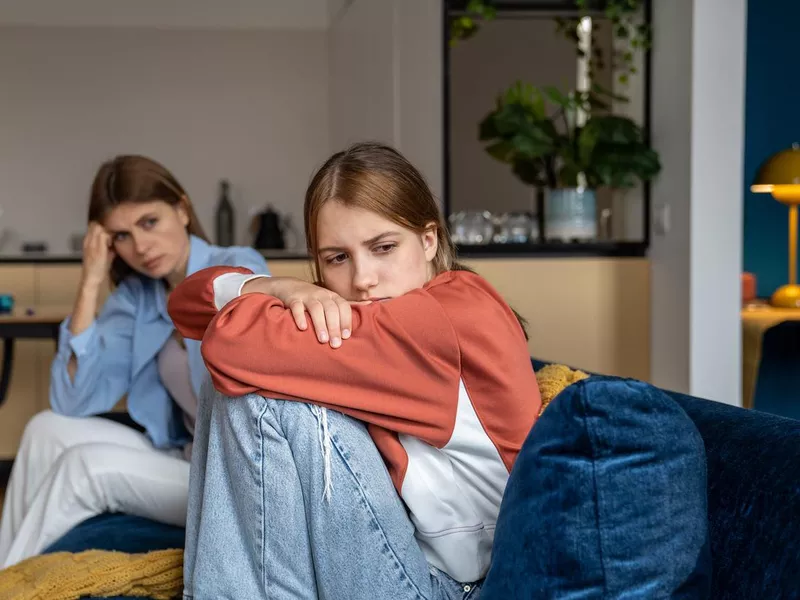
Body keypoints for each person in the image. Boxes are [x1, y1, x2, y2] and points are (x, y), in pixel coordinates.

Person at [168, 142, 541, 600]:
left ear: (429, 240)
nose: (362, 279)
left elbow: (226, 346)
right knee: (252, 381)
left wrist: (270, 298)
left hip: (454, 590)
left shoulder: (446, 316)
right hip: (416, 564)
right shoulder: (383, 320)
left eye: (383, 248)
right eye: (337, 258)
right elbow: (185, 307)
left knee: (260, 393)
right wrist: (273, 285)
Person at [0, 155, 268, 568]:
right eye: (121, 235)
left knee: (84, 467)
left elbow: (247, 309)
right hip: (180, 454)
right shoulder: (138, 298)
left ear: (181, 209)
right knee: (45, 429)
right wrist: (89, 282)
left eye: (149, 222)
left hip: (229, 476)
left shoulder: (238, 265)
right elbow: (71, 402)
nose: (140, 247)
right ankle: (7, 574)